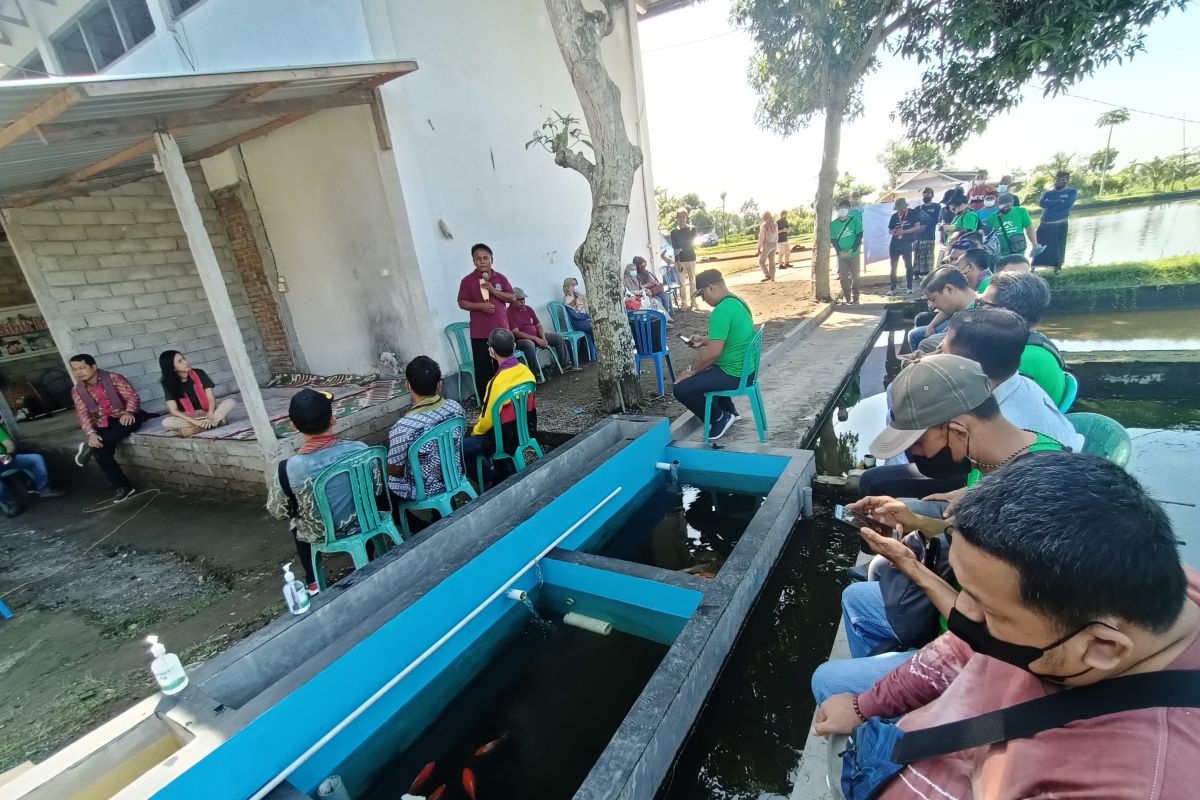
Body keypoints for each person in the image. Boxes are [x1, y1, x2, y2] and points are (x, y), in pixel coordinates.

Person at [815, 453, 1200, 800]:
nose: (961, 610)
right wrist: (865, 705)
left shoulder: (1136, 782)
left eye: (987, 609)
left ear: (1103, 648)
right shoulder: (1105, 601)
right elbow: (955, 649)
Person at [812, 355, 1067, 700]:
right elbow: (969, 536)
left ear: (958, 430)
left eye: (917, 443)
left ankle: (903, 718)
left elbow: (988, 633)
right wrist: (916, 522)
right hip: (958, 619)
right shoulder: (1009, 453)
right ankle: (894, 685)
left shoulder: (1025, 502)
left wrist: (910, 566)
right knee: (856, 598)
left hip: (981, 659)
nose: (914, 454)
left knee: (828, 682)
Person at [266, 389, 374, 594]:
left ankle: (313, 581)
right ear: (333, 419)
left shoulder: (288, 470)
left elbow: (278, 511)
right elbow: (376, 489)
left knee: (295, 524)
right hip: (365, 521)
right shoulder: (360, 449)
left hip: (321, 533)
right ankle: (368, 557)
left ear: (293, 426)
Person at [942, 309, 1083, 450]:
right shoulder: (1021, 382)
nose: (938, 353)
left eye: (943, 353)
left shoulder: (997, 428)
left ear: (962, 365)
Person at [385, 357, 467, 531]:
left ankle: (419, 528)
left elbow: (395, 470)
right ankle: (439, 514)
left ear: (407, 385)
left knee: (380, 491)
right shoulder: (455, 408)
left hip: (423, 489)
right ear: (439, 384)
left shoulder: (403, 428)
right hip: (454, 475)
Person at [673, 270, 755, 441]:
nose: (703, 300)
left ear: (711, 288)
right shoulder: (737, 302)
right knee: (707, 372)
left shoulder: (721, 311)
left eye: (702, 295)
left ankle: (719, 418)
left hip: (734, 374)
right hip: (747, 370)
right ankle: (730, 410)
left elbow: (713, 353)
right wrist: (704, 340)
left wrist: (689, 372)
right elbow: (732, 336)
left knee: (681, 388)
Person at [977, 271, 1070, 405]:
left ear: (1005, 313)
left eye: (982, 304)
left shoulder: (1016, 359)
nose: (976, 311)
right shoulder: (1033, 342)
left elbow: (981, 405)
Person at [462, 328, 538, 479]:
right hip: (525, 430)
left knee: (459, 449)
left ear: (491, 351)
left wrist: (473, 433)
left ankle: (491, 481)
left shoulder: (495, 383)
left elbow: (486, 421)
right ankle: (502, 470)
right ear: (514, 346)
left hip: (502, 439)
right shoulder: (527, 372)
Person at [70, 353, 145, 504]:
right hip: (104, 422)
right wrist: (91, 434)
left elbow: (132, 397)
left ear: (93, 367)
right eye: (75, 369)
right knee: (100, 450)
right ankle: (123, 486)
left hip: (126, 416)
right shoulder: (77, 390)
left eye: (82, 368)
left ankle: (88, 448)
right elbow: (82, 413)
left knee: (123, 426)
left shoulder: (114, 378)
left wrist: (129, 411)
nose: (79, 372)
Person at [457, 243, 515, 402]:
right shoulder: (467, 281)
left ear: (491, 259)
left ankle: (507, 400)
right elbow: (462, 302)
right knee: (483, 371)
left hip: (501, 332)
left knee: (504, 367)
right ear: (474, 262)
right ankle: (487, 403)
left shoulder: (500, 278)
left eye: (485, 258)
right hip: (480, 334)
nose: (482, 261)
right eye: (478, 259)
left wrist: (493, 290)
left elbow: (511, 297)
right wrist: (480, 306)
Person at [157, 350, 238, 437]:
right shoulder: (167, 383)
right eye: (180, 361)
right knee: (166, 423)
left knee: (230, 402)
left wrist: (210, 414)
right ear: (172, 367)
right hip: (189, 416)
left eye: (184, 358)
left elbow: (210, 398)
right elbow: (173, 410)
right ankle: (216, 422)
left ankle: (199, 427)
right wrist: (194, 421)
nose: (185, 362)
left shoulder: (200, 373)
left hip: (208, 412)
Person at [0, 423, 66, 517]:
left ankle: (44, 490)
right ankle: (11, 504)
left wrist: (10, 454)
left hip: (5, 459)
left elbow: (8, 443)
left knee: (36, 459)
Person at [509, 287, 574, 380]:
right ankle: (535, 374)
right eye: (519, 300)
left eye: (523, 299)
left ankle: (566, 364)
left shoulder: (528, 309)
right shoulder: (509, 313)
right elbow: (516, 333)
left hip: (537, 336)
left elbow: (538, 325)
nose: (522, 301)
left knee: (557, 337)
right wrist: (536, 339)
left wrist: (543, 338)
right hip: (522, 340)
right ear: (512, 300)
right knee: (529, 345)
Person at [907, 267, 974, 351]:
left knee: (925, 344)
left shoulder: (974, 321)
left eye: (933, 299)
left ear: (949, 289)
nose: (932, 306)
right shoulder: (965, 308)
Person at [1032, 170, 1077, 271]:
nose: (1059, 182)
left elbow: (1067, 204)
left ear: (1067, 181)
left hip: (1060, 224)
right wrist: (1059, 201)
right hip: (1044, 224)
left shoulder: (1071, 192)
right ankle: (1033, 268)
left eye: (1062, 180)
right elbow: (1042, 203)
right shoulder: (1048, 193)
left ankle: (1056, 269)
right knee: (1038, 246)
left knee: (1057, 248)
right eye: (1057, 180)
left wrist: (1051, 203)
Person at [831, 199, 864, 304]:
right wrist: (839, 251)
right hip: (842, 256)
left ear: (849, 210)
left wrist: (852, 249)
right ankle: (847, 296)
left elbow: (859, 235)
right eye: (841, 208)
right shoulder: (834, 224)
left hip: (854, 254)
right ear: (838, 209)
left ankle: (856, 297)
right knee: (843, 277)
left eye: (845, 208)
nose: (842, 210)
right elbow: (833, 239)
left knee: (856, 276)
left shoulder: (855, 221)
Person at [886, 198, 919, 296]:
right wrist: (893, 232)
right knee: (893, 266)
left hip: (906, 243)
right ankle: (893, 287)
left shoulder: (913, 213)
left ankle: (909, 287)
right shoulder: (894, 216)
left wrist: (903, 231)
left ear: (905, 206)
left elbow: (917, 227)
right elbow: (890, 229)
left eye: (900, 208)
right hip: (894, 243)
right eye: (897, 209)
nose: (899, 211)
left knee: (908, 266)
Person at [669, 210, 699, 311]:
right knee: (682, 282)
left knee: (692, 281)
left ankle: (694, 302)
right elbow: (675, 248)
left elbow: (692, 243)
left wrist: (681, 248)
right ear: (676, 218)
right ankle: (684, 303)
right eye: (679, 216)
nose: (681, 218)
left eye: (683, 216)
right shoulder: (674, 232)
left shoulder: (692, 229)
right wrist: (677, 261)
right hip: (680, 260)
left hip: (691, 258)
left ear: (686, 217)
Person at [992, 192, 1037, 257]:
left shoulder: (1022, 211)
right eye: (1003, 206)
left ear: (1012, 203)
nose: (1006, 208)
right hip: (1001, 254)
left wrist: (1034, 244)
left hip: (1018, 250)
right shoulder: (991, 219)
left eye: (1008, 206)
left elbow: (1029, 228)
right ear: (997, 205)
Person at [912, 187, 940, 279]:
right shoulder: (918, 208)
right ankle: (916, 273)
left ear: (932, 196)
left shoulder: (936, 207)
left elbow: (936, 219)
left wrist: (925, 226)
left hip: (929, 235)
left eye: (928, 194)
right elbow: (913, 220)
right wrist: (917, 228)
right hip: (917, 236)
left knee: (928, 254)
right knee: (917, 254)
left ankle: (928, 274)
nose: (925, 196)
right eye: (924, 195)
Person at [756, 211, 778, 283]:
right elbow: (777, 235)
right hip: (774, 243)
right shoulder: (775, 224)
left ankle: (767, 275)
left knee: (761, 261)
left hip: (767, 244)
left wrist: (759, 248)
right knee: (772, 262)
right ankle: (772, 278)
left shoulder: (764, 225)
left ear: (764, 217)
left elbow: (761, 237)